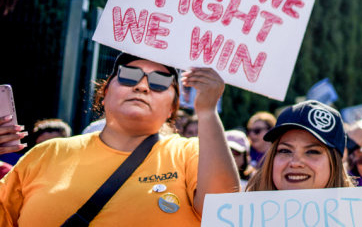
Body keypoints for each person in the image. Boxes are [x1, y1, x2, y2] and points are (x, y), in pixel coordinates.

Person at [0, 53, 240, 224]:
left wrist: (207, 112)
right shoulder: (46, 154)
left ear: (172, 108)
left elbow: (222, 213)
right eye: (128, 76)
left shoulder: (190, 154)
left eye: (159, 82)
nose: (142, 86)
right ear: (104, 94)